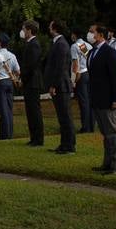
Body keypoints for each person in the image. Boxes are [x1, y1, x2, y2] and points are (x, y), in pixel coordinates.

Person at [87, 24, 116, 174]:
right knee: (105, 134)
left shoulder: (109, 52)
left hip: (109, 100)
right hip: (97, 99)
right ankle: (107, 163)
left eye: (91, 32)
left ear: (100, 34)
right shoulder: (92, 52)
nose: (89, 34)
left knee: (112, 132)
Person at [44, 20, 76, 154]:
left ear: (54, 29)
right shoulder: (57, 43)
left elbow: (60, 67)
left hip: (61, 85)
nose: (48, 28)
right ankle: (64, 144)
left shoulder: (61, 44)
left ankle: (69, 145)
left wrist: (53, 85)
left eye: (50, 26)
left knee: (65, 117)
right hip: (59, 85)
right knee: (62, 117)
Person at [0, 33, 20, 139]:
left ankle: (5, 135)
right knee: (9, 109)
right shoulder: (12, 55)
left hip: (0, 83)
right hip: (10, 83)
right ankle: (9, 132)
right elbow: (18, 71)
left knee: (3, 110)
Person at [19, 20, 44, 147]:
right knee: (30, 111)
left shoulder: (34, 44)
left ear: (29, 30)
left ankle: (38, 138)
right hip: (30, 82)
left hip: (32, 82)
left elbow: (31, 65)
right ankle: (33, 137)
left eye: (23, 29)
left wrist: (23, 78)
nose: (22, 32)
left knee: (34, 111)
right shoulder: (30, 44)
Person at [70, 30, 95, 133]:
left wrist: (73, 80)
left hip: (81, 75)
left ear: (74, 35)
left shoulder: (75, 46)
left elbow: (75, 64)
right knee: (89, 100)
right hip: (89, 73)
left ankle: (85, 127)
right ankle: (91, 125)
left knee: (83, 102)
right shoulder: (87, 45)